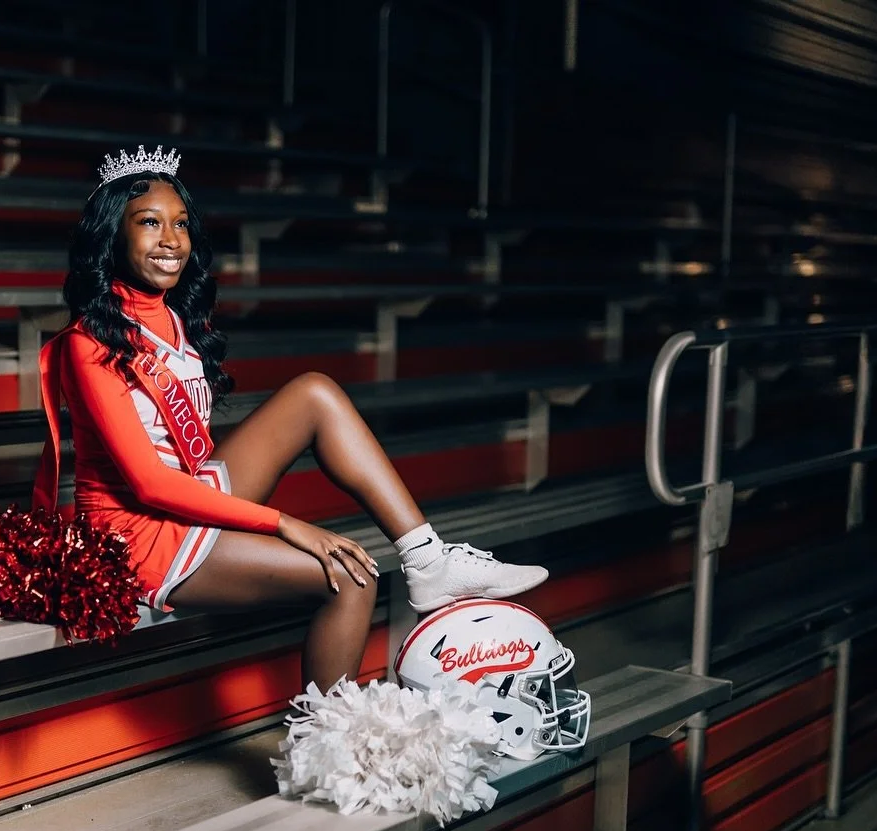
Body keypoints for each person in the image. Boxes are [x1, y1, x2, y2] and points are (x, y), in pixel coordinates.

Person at [33, 146, 548, 692]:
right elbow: (149, 484)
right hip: (137, 537)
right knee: (351, 577)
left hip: (188, 499)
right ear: (112, 235)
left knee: (314, 393)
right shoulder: (88, 343)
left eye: (180, 224)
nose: (171, 240)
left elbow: (184, 462)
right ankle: (331, 738)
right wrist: (285, 524)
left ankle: (427, 560)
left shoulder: (174, 317)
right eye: (149, 223)